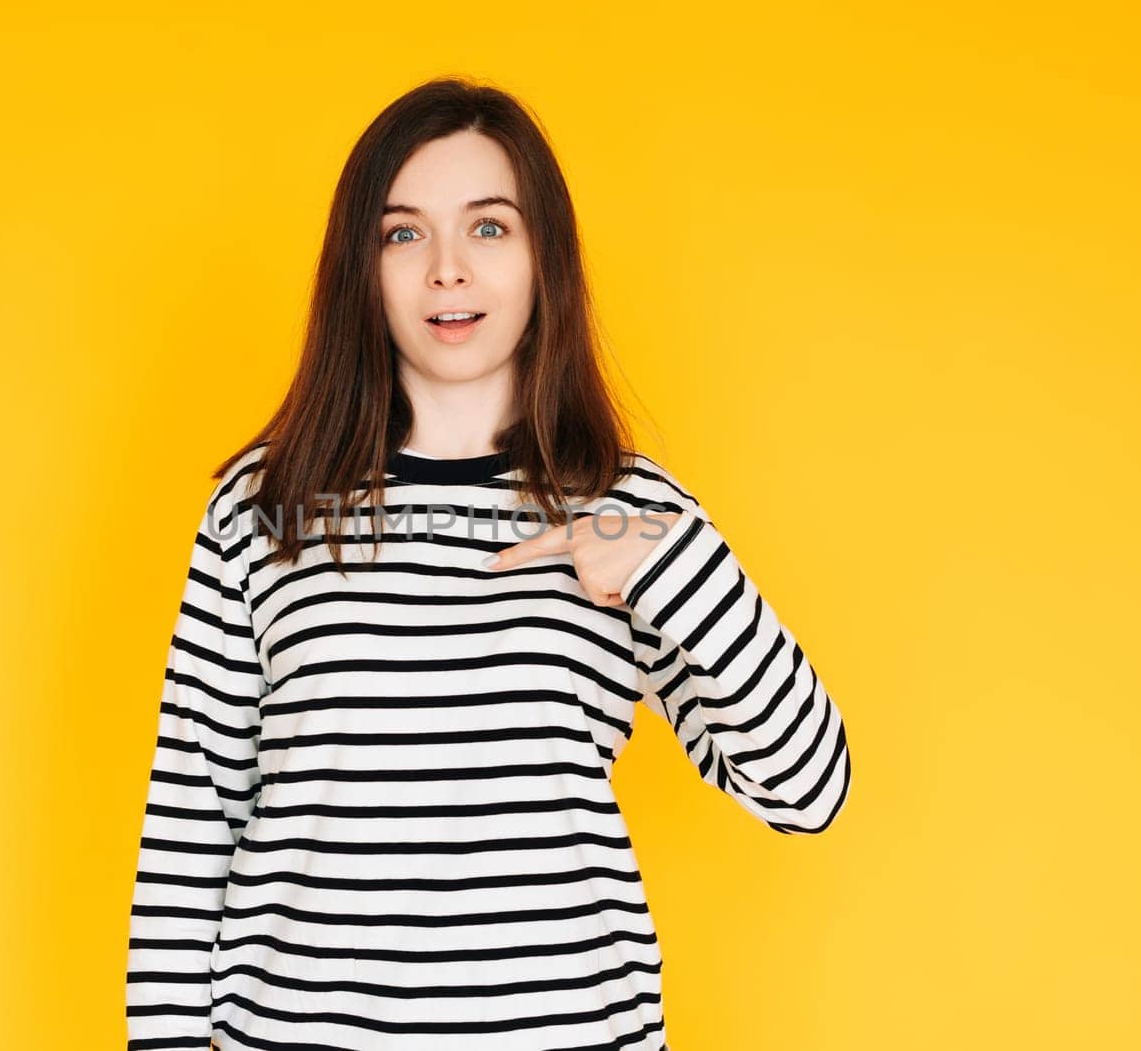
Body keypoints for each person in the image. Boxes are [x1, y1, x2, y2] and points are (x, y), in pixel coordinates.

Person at [125, 76, 851, 1051]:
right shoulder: (263, 507)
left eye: (489, 228)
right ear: (361, 267)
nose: (447, 272)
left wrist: (673, 566)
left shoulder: (633, 514)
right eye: (403, 233)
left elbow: (807, 790)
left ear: (544, 257)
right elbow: (190, 827)